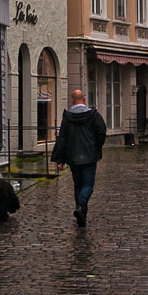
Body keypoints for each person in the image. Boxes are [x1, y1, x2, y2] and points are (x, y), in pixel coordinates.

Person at [51, 89, 106, 227]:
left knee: (78, 185)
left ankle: (81, 215)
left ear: (72, 100)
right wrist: (96, 146)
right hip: (89, 156)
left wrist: (60, 159)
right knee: (88, 185)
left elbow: (62, 139)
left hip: (73, 157)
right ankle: (81, 208)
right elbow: (101, 132)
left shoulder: (67, 118)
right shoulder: (94, 116)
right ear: (84, 99)